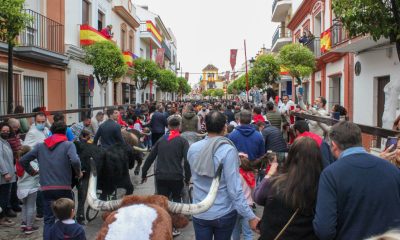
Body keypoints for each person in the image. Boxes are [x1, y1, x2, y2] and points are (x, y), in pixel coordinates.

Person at [313, 121, 400, 240]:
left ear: (333, 145)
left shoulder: (331, 175)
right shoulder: (393, 171)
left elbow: (324, 230)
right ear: (360, 140)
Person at [187, 111, 259, 240]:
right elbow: (234, 189)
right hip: (223, 212)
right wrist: (250, 216)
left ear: (205, 126)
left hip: (200, 211)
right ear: (224, 127)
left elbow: (194, 176)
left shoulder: (193, 148)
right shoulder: (228, 150)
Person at [20, 121, 82, 240]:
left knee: (48, 221)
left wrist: (32, 172)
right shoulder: (69, 145)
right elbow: (75, 160)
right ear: (65, 132)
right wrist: (78, 172)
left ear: (51, 132)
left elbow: (23, 160)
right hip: (64, 189)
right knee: (67, 219)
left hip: (46, 189)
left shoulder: (40, 146)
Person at [253, 137, 322, 240]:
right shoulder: (323, 185)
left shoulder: (277, 183)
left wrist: (270, 173)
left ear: (291, 157)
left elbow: (258, 197)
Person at [141, 117, 191, 236]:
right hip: (176, 177)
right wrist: (188, 178)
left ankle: (163, 226)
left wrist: (144, 173)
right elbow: (188, 162)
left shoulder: (161, 140)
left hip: (161, 177)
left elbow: (150, 158)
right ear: (179, 127)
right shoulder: (183, 141)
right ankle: (173, 227)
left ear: (168, 126)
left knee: (163, 202)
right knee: (176, 201)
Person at [23, 112, 51, 220]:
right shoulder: (32, 132)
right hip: (37, 163)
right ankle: (40, 212)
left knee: (43, 187)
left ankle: (43, 210)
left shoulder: (46, 130)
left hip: (46, 161)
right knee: (39, 188)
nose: (41, 123)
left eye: (43, 121)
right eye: (39, 122)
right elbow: (26, 148)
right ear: (35, 121)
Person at [232, 153, 256, 240]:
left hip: (235, 206)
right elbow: (254, 192)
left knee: (235, 231)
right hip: (248, 207)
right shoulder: (251, 175)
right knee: (248, 233)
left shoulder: (235, 175)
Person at [17, 145, 40, 235]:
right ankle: (29, 227)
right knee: (31, 207)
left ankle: (24, 223)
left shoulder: (18, 162)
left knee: (25, 206)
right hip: (31, 187)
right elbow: (36, 174)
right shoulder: (33, 163)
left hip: (21, 188)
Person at [0, 123, 17, 226]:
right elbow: (0, 159)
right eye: (3, 131)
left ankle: (3, 217)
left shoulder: (5, 142)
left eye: (7, 131)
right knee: (3, 198)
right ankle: (2, 218)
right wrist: (5, 172)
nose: (6, 133)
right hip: (3, 176)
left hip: (8, 174)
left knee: (4, 197)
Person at [6, 118, 23, 214]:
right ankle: (11, 205)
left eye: (18, 127)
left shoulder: (16, 134)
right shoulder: (8, 136)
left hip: (16, 159)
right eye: (15, 127)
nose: (16, 129)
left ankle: (15, 201)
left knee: (16, 183)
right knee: (10, 185)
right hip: (11, 160)